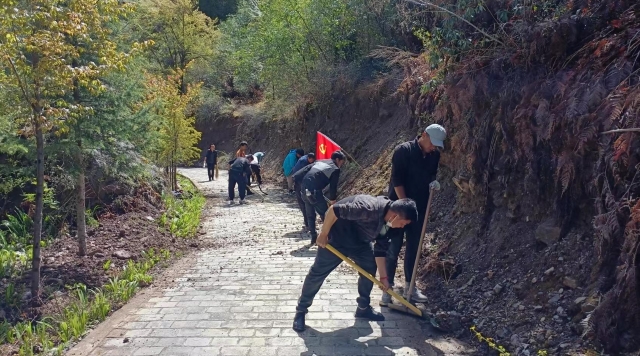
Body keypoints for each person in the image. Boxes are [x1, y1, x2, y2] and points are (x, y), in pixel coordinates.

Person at [292, 195, 419, 332]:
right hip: (336, 240)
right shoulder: (367, 207)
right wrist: (323, 233)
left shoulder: (391, 226)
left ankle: (363, 308)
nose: (403, 226)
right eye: (404, 223)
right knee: (317, 273)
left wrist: (383, 278)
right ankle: (301, 310)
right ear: (395, 216)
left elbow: (380, 251)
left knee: (370, 268)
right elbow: (333, 210)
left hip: (360, 243)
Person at [381, 124, 446, 306]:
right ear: (424, 135)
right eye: (432, 143)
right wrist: (405, 207)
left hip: (419, 210)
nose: (434, 147)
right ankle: (388, 289)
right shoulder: (403, 151)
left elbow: (431, 175)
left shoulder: (434, 155)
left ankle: (410, 287)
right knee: (393, 249)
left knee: (414, 249)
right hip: (398, 209)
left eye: (437, 145)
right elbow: (397, 180)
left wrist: (434, 184)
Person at [297, 151, 345, 245]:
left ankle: (314, 237)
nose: (341, 165)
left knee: (310, 215)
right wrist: (333, 200)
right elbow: (333, 186)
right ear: (337, 159)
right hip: (314, 191)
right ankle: (331, 237)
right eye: (341, 162)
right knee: (326, 215)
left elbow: (304, 171)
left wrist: (302, 185)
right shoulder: (335, 168)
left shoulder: (320, 161)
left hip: (304, 188)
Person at [291, 153, 316, 229]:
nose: (312, 162)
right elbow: (304, 176)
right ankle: (308, 223)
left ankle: (308, 223)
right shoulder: (304, 163)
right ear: (309, 158)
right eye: (312, 160)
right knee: (305, 203)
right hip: (299, 184)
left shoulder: (304, 159)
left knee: (305, 203)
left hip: (298, 182)